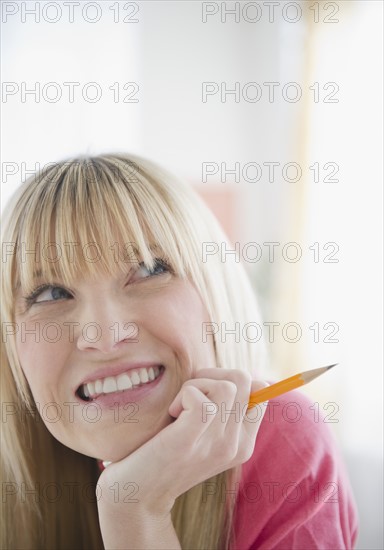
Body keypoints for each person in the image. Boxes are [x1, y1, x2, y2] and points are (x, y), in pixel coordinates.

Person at [1, 154, 358, 549]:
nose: (103, 335)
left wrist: (134, 510)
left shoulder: (284, 442)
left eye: (150, 269)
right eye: (51, 293)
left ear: (213, 294)